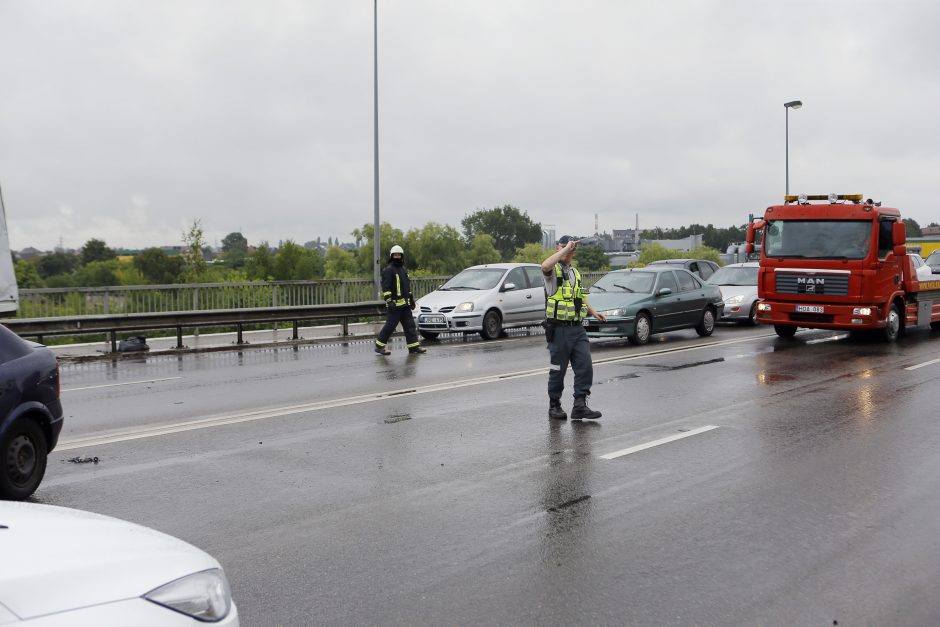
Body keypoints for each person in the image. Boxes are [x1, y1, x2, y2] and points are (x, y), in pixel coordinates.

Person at [540, 236, 606, 420]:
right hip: (559, 330)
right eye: (565, 247)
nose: (569, 251)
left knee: (585, 366)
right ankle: (554, 405)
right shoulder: (553, 272)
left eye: (571, 248)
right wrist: (565, 248)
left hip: (577, 329)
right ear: (557, 248)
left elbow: (579, 297)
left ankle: (580, 405)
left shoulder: (575, 273)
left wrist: (593, 312)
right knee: (557, 370)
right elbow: (544, 266)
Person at [375, 244, 426, 355]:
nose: (397, 256)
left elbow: (406, 286)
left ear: (402, 256)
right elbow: (386, 288)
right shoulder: (388, 270)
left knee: (410, 326)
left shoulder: (403, 270)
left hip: (405, 306)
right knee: (390, 327)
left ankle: (414, 347)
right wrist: (389, 301)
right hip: (394, 306)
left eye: (399, 255)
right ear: (391, 256)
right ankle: (379, 346)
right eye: (395, 255)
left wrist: (411, 299)